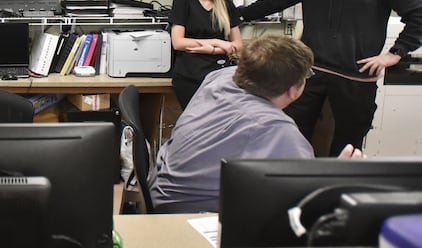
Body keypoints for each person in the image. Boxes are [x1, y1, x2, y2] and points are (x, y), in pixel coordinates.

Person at [239, 0, 422, 156]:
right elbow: (274, 3)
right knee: (291, 133)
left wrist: (394, 54)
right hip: (310, 71)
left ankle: (338, 180)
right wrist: (233, 15)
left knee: (348, 143)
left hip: (356, 76)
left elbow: (418, 15)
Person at [150, 36, 364, 214]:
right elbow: (305, 198)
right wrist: (334, 180)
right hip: (191, 215)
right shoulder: (272, 126)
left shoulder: (219, 78)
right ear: (292, 90)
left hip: (160, 191)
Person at [169, 0, 242, 109]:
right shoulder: (183, 2)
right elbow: (178, 42)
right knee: (197, 117)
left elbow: (237, 44)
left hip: (219, 73)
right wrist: (217, 42)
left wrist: (214, 50)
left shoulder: (225, 3)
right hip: (190, 75)